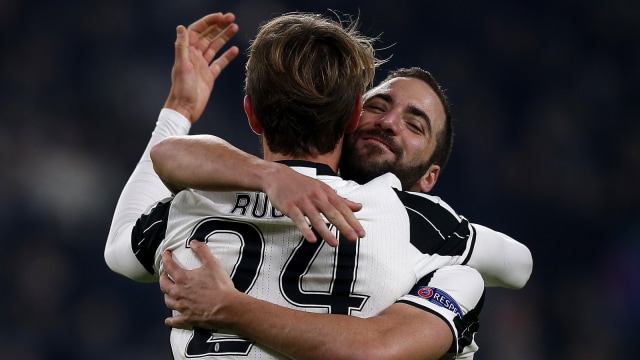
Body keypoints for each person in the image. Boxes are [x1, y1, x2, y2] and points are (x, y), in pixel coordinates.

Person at [105, 11, 531, 360]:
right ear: (350, 121)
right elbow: (518, 265)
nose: (387, 122)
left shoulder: (189, 206)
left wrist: (179, 109)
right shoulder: (417, 227)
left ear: (251, 114)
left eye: (414, 124)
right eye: (377, 106)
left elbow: (126, 233)